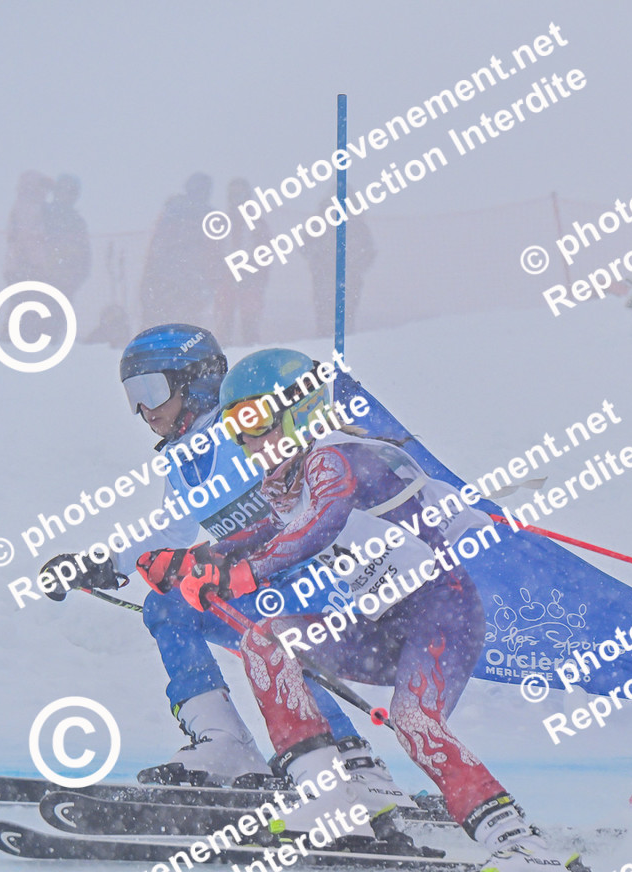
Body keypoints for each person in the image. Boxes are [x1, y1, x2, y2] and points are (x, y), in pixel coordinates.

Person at [153, 347, 591, 872]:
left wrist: (240, 574)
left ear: (301, 410)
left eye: (256, 420)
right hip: (384, 628)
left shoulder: (335, 457)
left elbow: (317, 527)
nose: (249, 442)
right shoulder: (290, 479)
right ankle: (330, 799)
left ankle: (525, 849)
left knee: (415, 722)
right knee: (269, 642)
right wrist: (189, 560)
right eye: (235, 429)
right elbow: (266, 531)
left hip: (442, 618)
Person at [38, 326, 406, 814]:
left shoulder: (245, 432)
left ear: (197, 381)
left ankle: (349, 759)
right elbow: (171, 531)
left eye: (153, 390)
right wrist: (105, 564)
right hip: (254, 587)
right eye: (134, 397)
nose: (145, 410)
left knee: (271, 626)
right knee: (168, 605)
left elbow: (311, 496)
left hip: (322, 584)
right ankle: (224, 743)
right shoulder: (182, 458)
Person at [140, 174, 219, 324]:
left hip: (167, 278)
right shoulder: (207, 218)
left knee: (161, 319)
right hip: (188, 279)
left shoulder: (171, 212)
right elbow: (212, 255)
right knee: (186, 321)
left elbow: (155, 248)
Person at [300, 197, 374, 338]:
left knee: (345, 315)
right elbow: (305, 247)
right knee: (326, 314)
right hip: (326, 278)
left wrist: (354, 267)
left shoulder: (358, 227)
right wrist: (319, 260)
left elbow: (369, 253)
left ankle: (337, 339)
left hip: (347, 279)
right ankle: (326, 339)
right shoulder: (319, 224)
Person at [213, 179, 270, 345]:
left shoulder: (257, 224)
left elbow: (266, 253)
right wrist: (216, 276)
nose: (236, 199)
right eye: (233, 195)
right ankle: (223, 354)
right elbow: (213, 252)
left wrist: (258, 278)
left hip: (250, 278)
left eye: (239, 195)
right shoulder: (221, 222)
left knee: (250, 323)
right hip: (226, 277)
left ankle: (252, 353)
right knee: (224, 322)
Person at [42, 174, 91, 298]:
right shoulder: (42, 213)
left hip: (64, 285)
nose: (68, 195)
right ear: (56, 191)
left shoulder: (78, 222)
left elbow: (85, 258)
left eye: (72, 191)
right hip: (39, 280)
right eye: (63, 189)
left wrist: (72, 282)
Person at [4, 171, 52, 285]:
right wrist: (37, 263)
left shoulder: (20, 206)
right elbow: (26, 237)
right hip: (27, 266)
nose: (45, 191)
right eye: (42, 186)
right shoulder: (29, 208)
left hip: (18, 266)